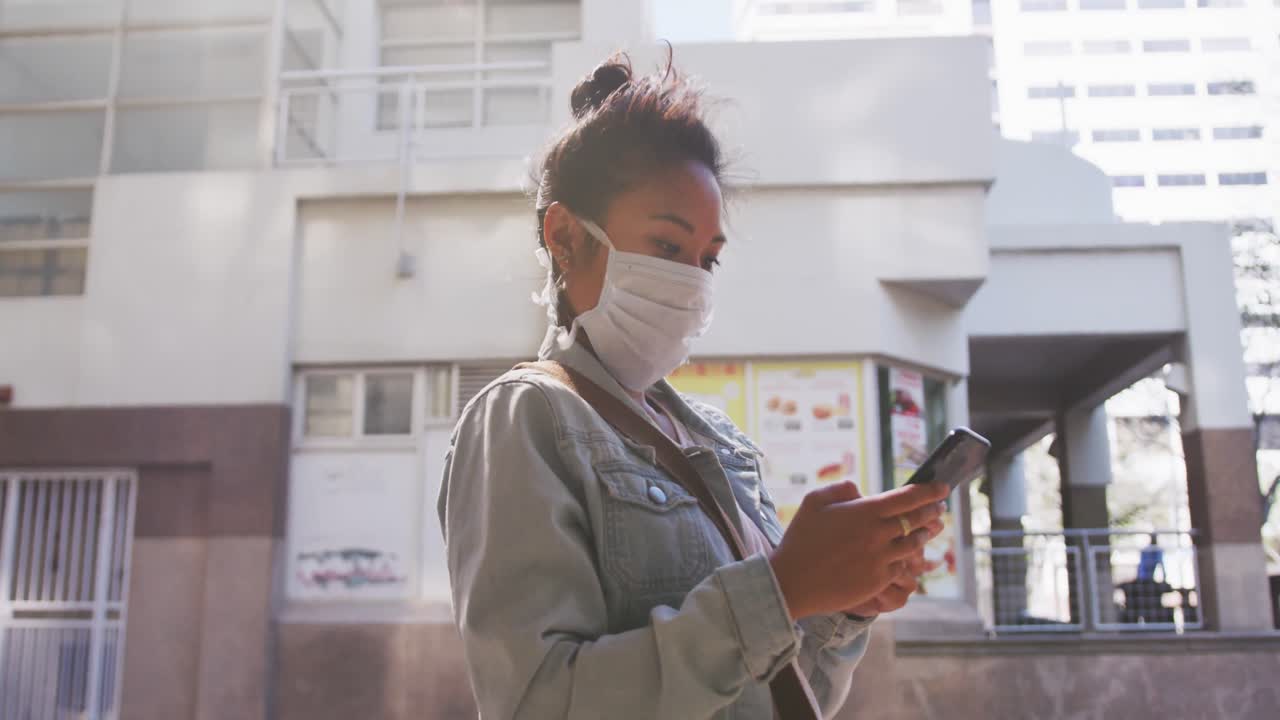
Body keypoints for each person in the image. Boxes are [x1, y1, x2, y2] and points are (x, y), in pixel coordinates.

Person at [438, 52, 949, 719]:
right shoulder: (524, 416)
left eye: (708, 258)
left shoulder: (720, 443)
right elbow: (538, 703)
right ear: (564, 236)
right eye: (668, 247)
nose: (695, 282)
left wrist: (841, 605)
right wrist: (783, 590)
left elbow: (793, 698)